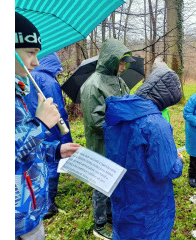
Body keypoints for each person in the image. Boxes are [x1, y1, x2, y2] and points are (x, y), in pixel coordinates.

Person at [15, 12, 80, 239]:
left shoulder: (19, 92)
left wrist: (54, 149)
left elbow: (21, 147)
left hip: (29, 212)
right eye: (30, 53)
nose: (36, 62)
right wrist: (41, 123)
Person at [103, 59, 183, 240]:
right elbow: (166, 170)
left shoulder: (118, 114)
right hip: (149, 206)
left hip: (122, 198)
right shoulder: (156, 124)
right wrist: (178, 160)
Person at [79, 38, 136, 240]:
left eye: (125, 63)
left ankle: (112, 216)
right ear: (110, 60)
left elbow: (128, 104)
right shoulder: (93, 84)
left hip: (118, 144)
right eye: (120, 62)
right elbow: (96, 122)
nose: (123, 67)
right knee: (102, 185)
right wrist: (121, 121)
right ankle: (99, 224)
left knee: (115, 180)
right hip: (101, 144)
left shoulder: (119, 81)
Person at [24, 52, 73, 219]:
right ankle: (49, 204)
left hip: (31, 127)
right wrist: (66, 138)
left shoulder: (25, 78)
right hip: (49, 128)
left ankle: (41, 199)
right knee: (52, 164)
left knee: (36, 160)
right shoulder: (48, 81)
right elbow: (58, 112)